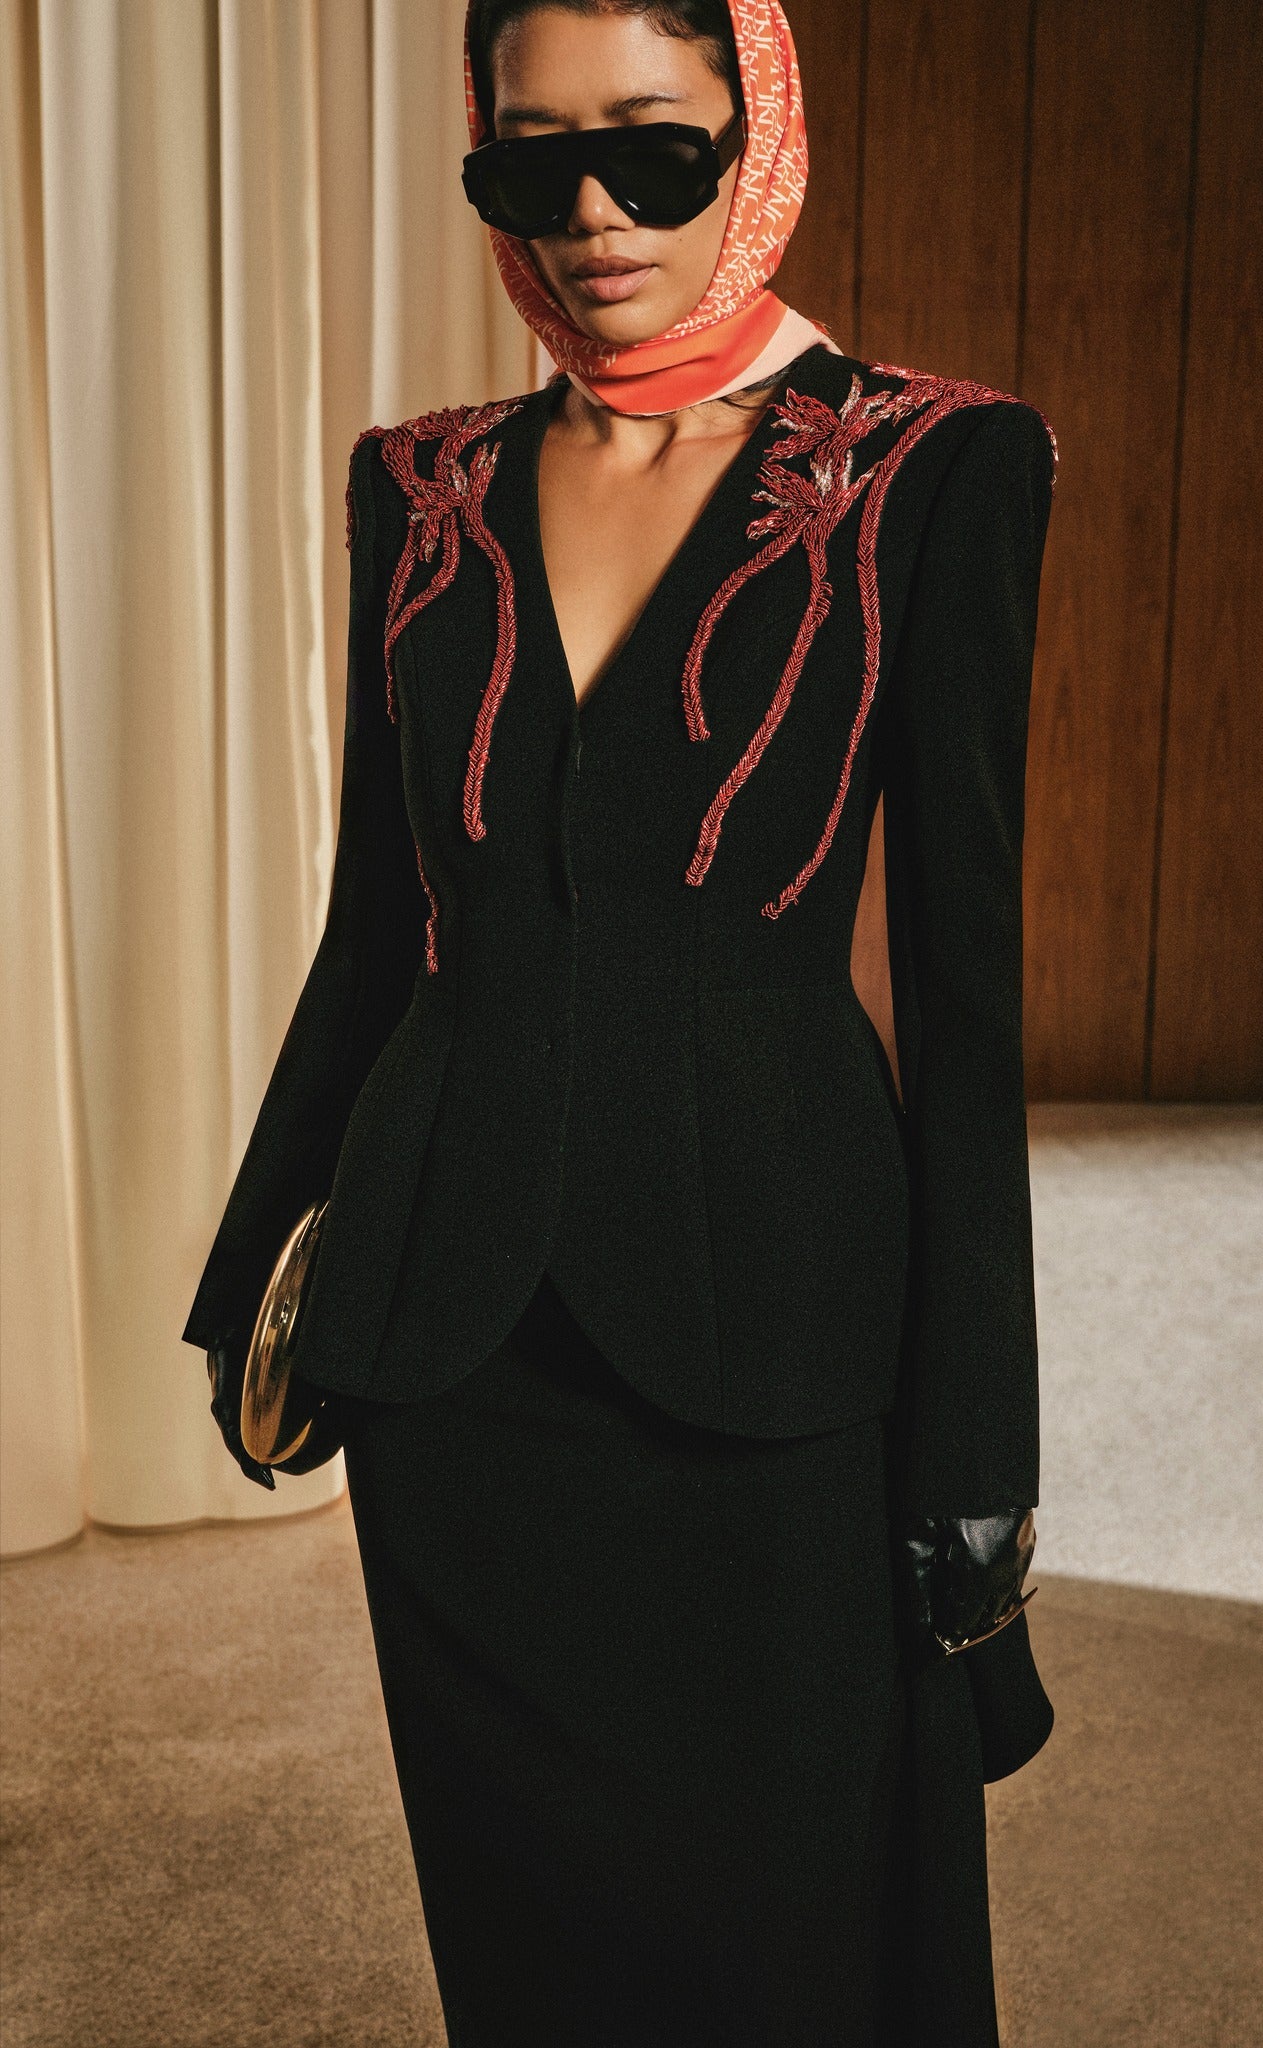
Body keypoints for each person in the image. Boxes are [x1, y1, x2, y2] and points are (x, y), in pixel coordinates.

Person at [182, 1, 1058, 2040]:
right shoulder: (417, 485)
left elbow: (967, 993)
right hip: (452, 1358)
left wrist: (982, 1439)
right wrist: (254, 1287)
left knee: (800, 1941)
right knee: (531, 1951)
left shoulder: (940, 467)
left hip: (778, 1340)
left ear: (762, 128)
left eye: (654, 151)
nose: (590, 215)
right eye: (528, 162)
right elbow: (375, 926)